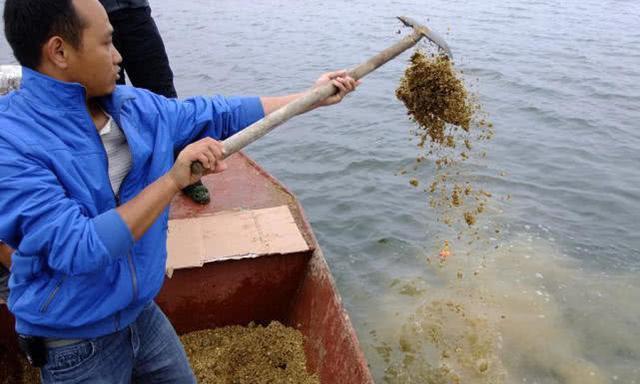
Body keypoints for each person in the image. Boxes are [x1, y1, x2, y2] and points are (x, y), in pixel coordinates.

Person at [0, 0, 359, 382]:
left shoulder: (133, 108)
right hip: (75, 340)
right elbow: (79, 248)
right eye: (106, 43)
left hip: (139, 312)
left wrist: (310, 98)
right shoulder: (12, 140)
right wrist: (172, 181)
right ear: (59, 51)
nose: (119, 56)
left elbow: (217, 113)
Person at [100, 0, 211, 204]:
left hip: (135, 12)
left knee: (163, 93)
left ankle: (188, 172)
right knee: (108, 100)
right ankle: (116, 181)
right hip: (93, 17)